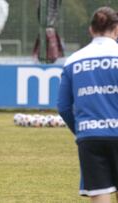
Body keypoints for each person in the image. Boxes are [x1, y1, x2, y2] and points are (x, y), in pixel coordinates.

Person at [58, 6, 118, 203]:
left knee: (100, 194)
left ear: (91, 30)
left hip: (90, 135)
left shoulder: (73, 60)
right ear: (116, 29)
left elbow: (63, 106)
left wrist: (82, 131)